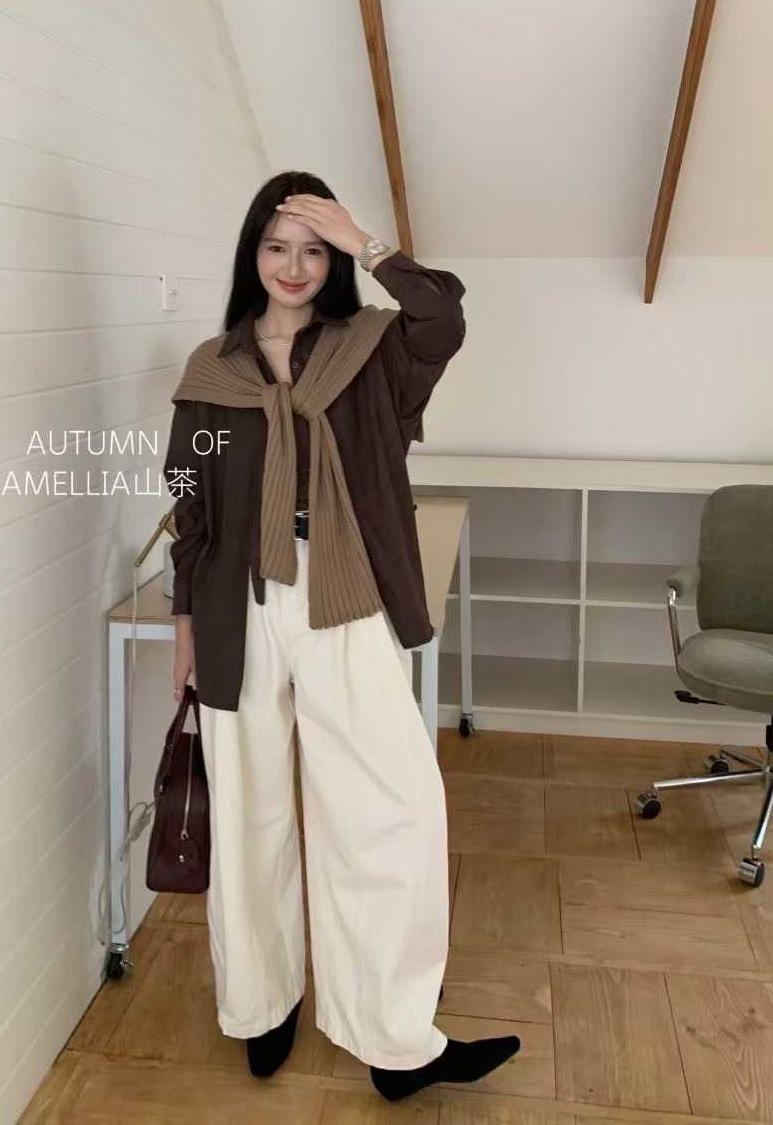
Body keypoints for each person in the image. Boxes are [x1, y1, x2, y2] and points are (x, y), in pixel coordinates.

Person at [161, 172, 520, 1101]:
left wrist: (369, 241)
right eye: (277, 246)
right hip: (238, 603)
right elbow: (191, 502)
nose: (293, 266)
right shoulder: (213, 367)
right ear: (251, 254)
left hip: (344, 592)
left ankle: (396, 1042)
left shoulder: (373, 349)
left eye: (314, 249)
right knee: (249, 812)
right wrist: (185, 622)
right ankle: (261, 1004)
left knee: (388, 808)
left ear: (335, 259)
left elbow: (444, 317)